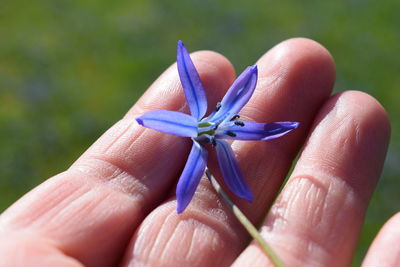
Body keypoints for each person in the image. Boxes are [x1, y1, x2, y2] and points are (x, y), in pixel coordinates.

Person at [0, 38, 394, 267]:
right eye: (206, 128)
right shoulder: (199, 140)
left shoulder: (214, 145)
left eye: (216, 128)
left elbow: (260, 130)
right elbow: (158, 122)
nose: (210, 129)